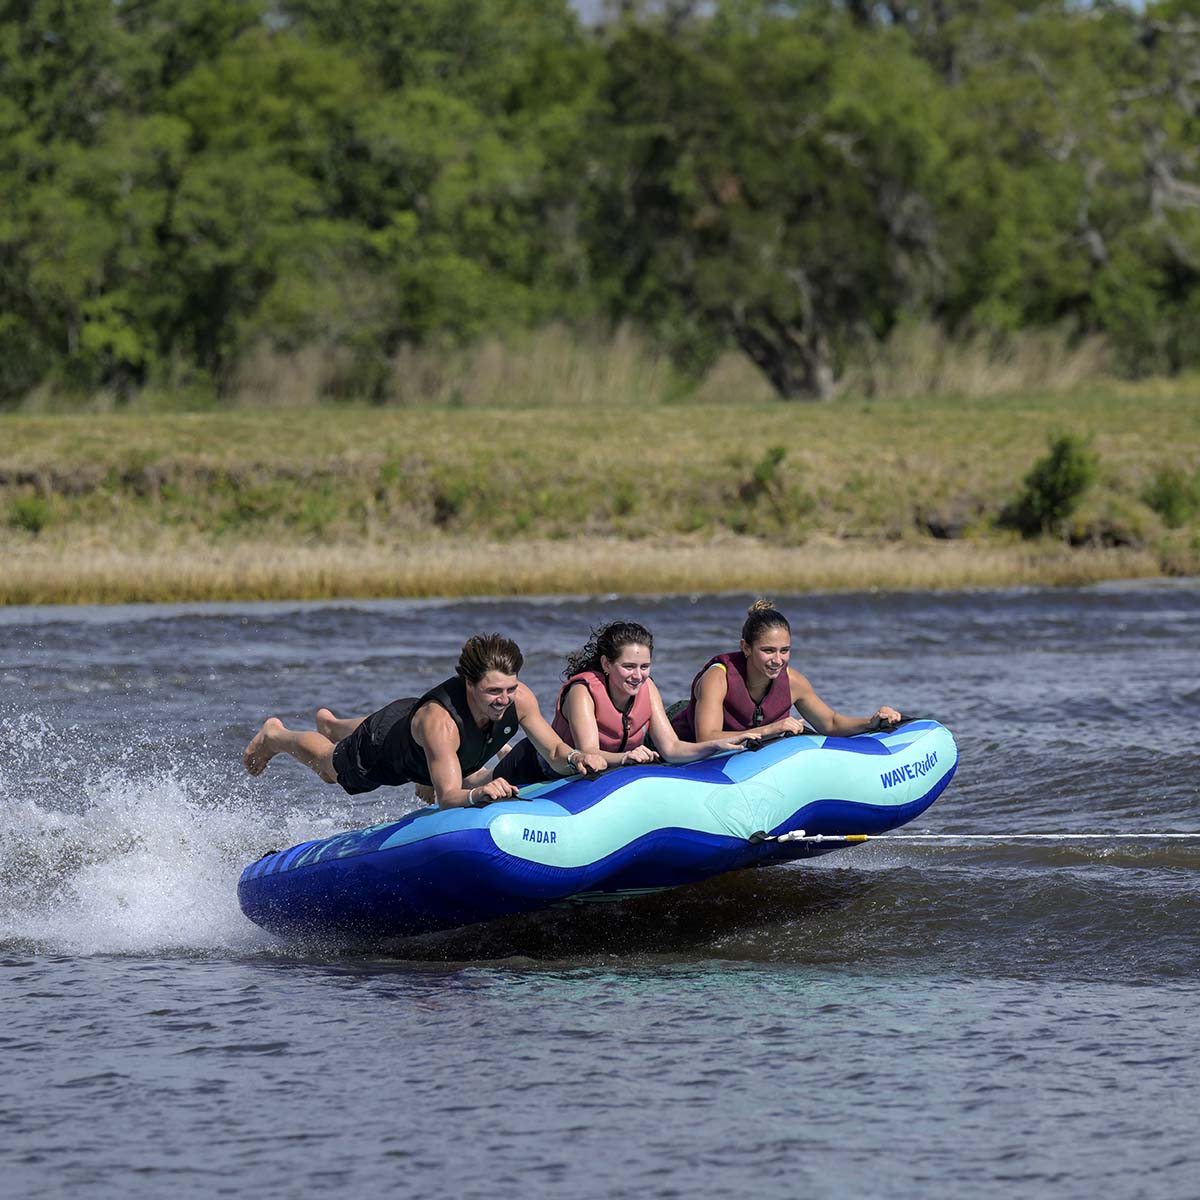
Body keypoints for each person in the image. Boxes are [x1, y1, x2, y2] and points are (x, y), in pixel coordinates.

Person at [242, 633, 606, 808]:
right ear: (469, 684)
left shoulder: (519, 699)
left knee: (399, 730)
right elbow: (448, 796)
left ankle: (335, 726)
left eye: (510, 688)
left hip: (408, 722)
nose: (505, 699)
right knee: (329, 768)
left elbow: (554, 747)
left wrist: (576, 758)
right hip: (387, 748)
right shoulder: (440, 723)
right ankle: (278, 736)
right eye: (494, 691)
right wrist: (479, 792)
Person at [487, 619, 756, 787]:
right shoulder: (583, 692)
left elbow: (672, 748)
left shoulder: (648, 689)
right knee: (488, 780)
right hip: (535, 766)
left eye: (644, 666)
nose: (638, 675)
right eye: (628, 666)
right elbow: (590, 753)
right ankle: (493, 763)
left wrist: (715, 745)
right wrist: (627, 757)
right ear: (606, 664)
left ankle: (499, 755)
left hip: (599, 766)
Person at [671, 599, 902, 741]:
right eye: (768, 650)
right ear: (746, 648)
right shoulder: (718, 677)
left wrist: (871, 722)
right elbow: (706, 737)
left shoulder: (793, 682)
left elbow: (830, 723)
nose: (778, 660)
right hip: (680, 729)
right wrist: (771, 729)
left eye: (785, 650)